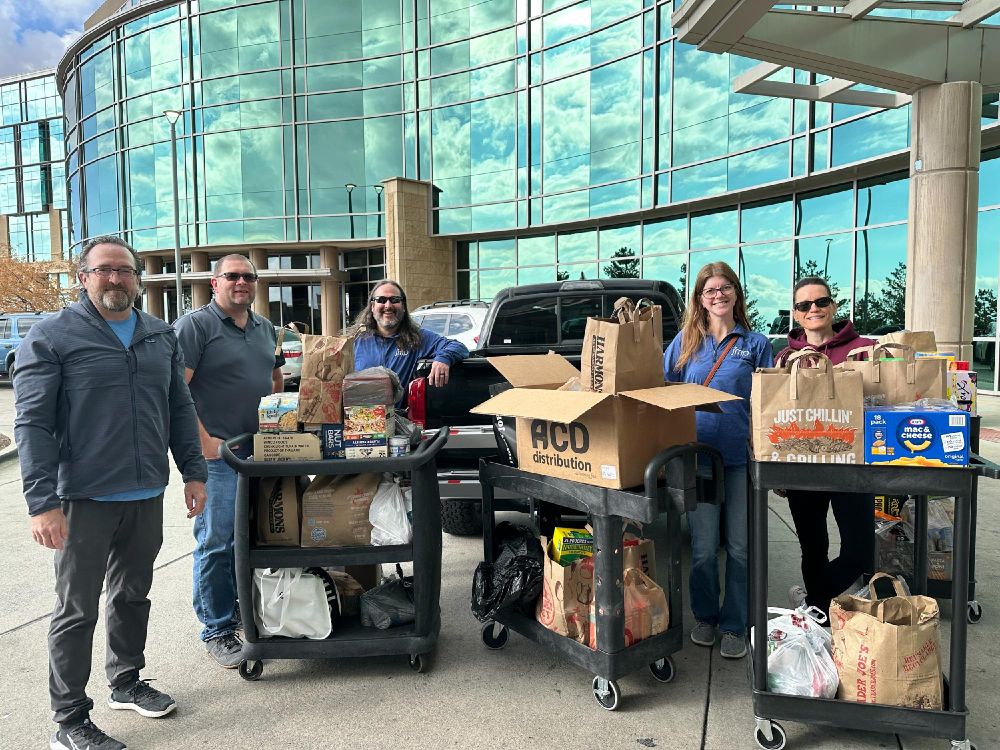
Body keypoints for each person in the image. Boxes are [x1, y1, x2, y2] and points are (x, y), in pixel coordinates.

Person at [14, 235, 208, 750]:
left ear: (138, 280)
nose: (115, 279)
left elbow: (180, 407)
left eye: (124, 270)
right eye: (103, 270)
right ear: (83, 277)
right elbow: (31, 424)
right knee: (76, 609)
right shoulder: (51, 336)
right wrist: (43, 503)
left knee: (132, 596)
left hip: (144, 493)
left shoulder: (158, 334)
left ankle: (125, 681)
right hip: (82, 498)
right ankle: (70, 719)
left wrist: (193, 472)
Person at [174, 254, 284, 668]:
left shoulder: (264, 328)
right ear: (214, 282)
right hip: (218, 457)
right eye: (232, 276)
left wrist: (278, 423)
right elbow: (177, 393)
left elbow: (275, 379)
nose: (241, 282)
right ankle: (217, 628)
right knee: (217, 542)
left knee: (247, 540)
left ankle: (240, 611)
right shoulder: (195, 326)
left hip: (260, 452)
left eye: (248, 276)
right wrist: (203, 442)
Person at [663, 262, 773, 659]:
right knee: (705, 548)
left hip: (741, 460)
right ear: (700, 299)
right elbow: (663, 393)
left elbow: (769, 403)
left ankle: (734, 624)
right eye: (710, 290)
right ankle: (706, 617)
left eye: (726, 287)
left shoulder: (756, 344)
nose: (719, 295)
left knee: (741, 548)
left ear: (736, 294)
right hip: (698, 460)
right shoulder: (684, 343)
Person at [776, 275, 876, 616]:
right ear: (796, 313)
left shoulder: (863, 348)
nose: (813, 309)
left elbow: (883, 400)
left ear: (832, 306)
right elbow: (775, 415)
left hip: (852, 466)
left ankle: (814, 602)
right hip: (804, 466)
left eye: (820, 302)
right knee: (813, 547)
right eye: (804, 305)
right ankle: (818, 617)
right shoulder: (784, 357)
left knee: (860, 551)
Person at [351, 279, 469, 398]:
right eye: (381, 300)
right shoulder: (354, 341)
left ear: (403, 306)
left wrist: (444, 359)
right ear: (372, 306)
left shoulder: (417, 338)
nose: (388, 305)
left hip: (400, 415)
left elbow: (458, 347)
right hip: (361, 414)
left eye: (395, 300)